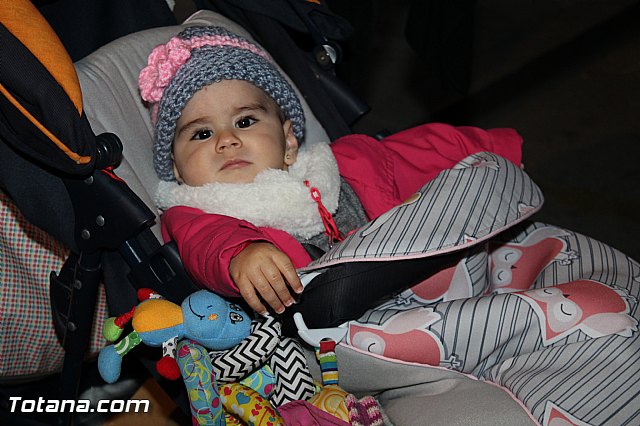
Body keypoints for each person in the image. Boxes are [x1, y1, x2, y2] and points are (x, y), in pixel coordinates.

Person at [139, 25, 523, 317]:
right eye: (202, 133)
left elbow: (415, 153)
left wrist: (494, 150)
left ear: (288, 141)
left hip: (423, 287)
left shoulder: (341, 165)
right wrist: (243, 254)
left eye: (245, 122)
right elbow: (205, 243)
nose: (226, 141)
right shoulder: (198, 215)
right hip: (341, 334)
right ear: (177, 168)